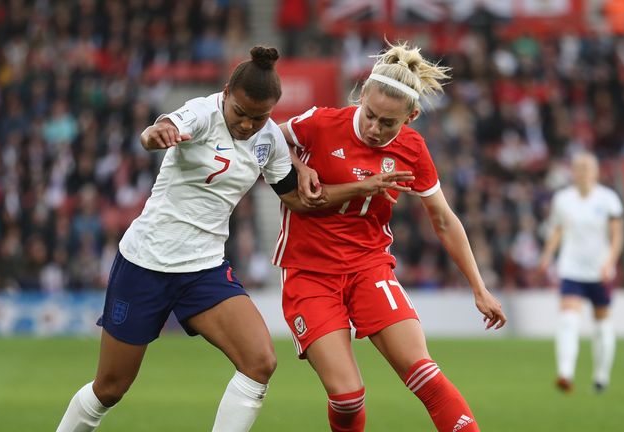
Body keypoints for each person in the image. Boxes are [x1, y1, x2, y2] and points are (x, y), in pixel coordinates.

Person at [55, 46, 412, 432]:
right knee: (111, 387)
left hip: (203, 269)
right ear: (226, 93)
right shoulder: (203, 113)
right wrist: (155, 133)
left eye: (258, 118)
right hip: (146, 263)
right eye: (240, 113)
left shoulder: (270, 139)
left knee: (260, 361)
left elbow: (298, 199)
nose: (246, 125)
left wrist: (361, 186)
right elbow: (160, 127)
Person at [274, 42, 507, 432]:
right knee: (348, 398)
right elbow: (265, 138)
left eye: (388, 123)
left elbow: (444, 220)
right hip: (309, 271)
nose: (374, 129)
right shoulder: (320, 123)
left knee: (425, 374)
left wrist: (479, 288)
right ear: (362, 95)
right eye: (371, 115)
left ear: (411, 117)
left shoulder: (412, 149)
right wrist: (297, 165)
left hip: (369, 267)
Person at [539, 152, 624, 393]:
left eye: (588, 167)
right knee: (568, 319)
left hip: (600, 270)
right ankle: (565, 373)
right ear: (573, 172)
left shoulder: (609, 199)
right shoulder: (563, 199)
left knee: (602, 324)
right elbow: (557, 230)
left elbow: (617, 234)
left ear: (596, 172)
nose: (583, 171)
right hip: (571, 268)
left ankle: (601, 376)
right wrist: (547, 255)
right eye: (579, 167)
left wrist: (610, 260)